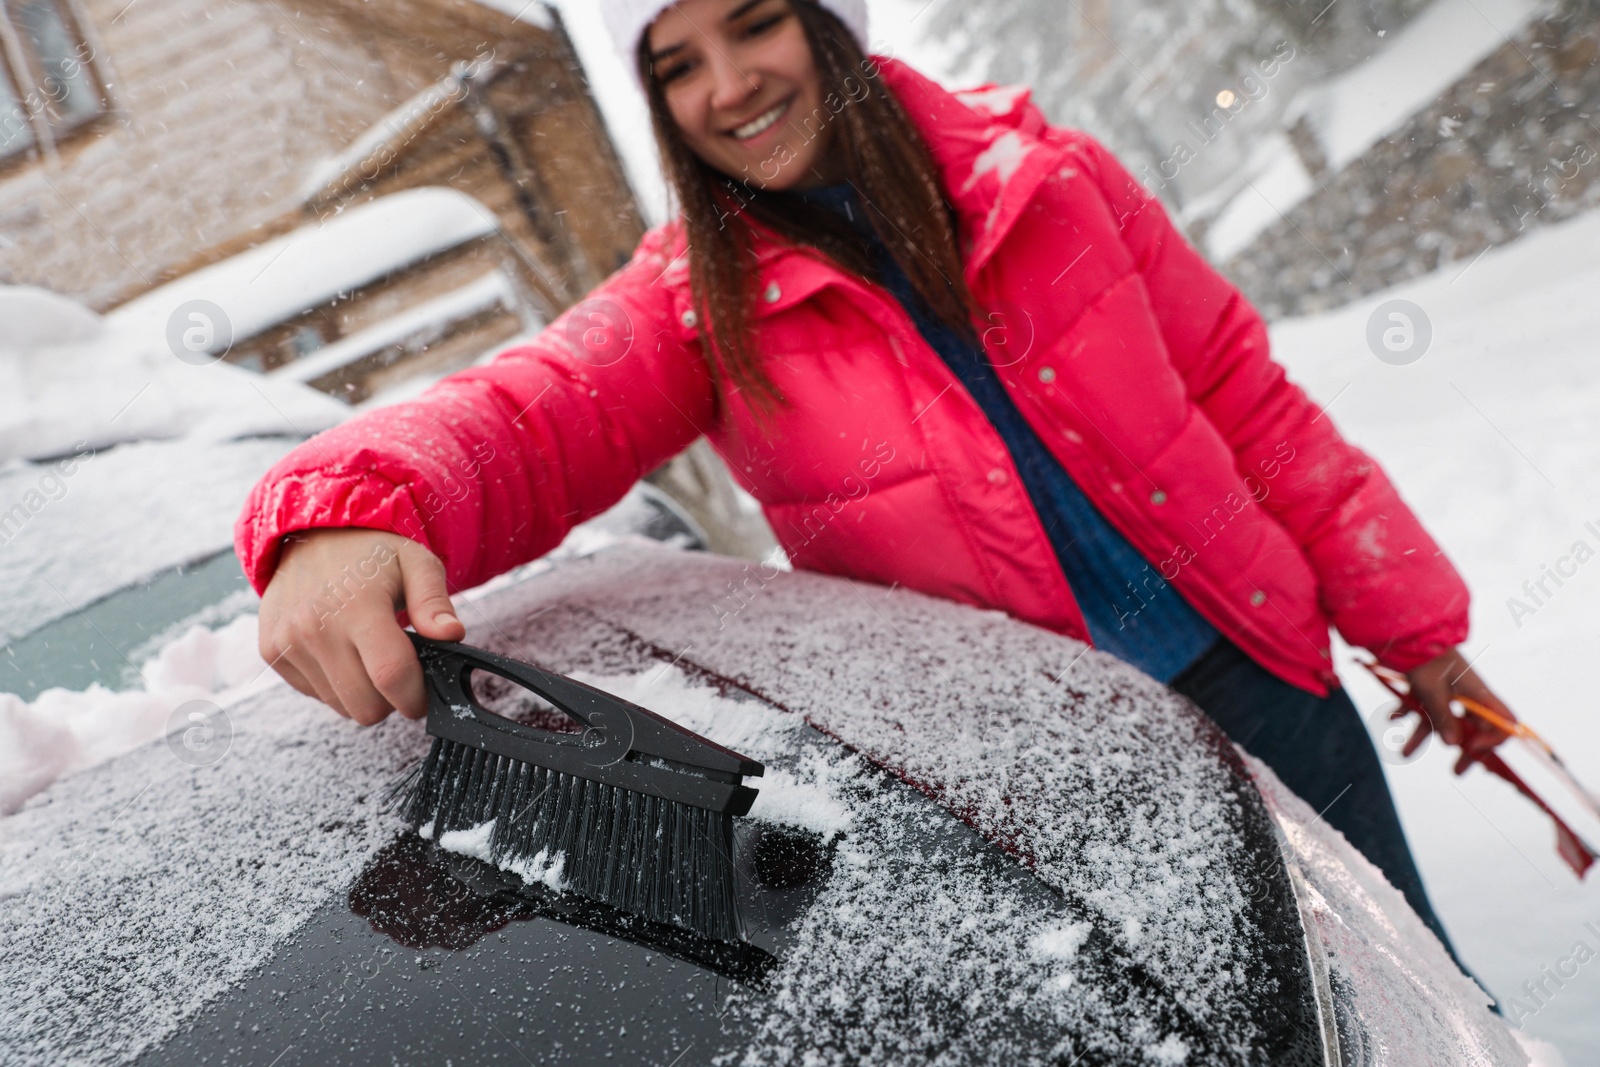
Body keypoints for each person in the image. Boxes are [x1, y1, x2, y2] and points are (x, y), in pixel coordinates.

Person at [237, 0, 1514, 978]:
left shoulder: (1049, 180)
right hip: (1054, 778)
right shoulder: (697, 307)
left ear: (826, 21)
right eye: (675, 63)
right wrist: (347, 505)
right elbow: (532, 407)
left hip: (1269, 686)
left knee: (1416, 987)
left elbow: (1251, 402)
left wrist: (1416, 631)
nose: (728, 84)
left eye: (754, 21)